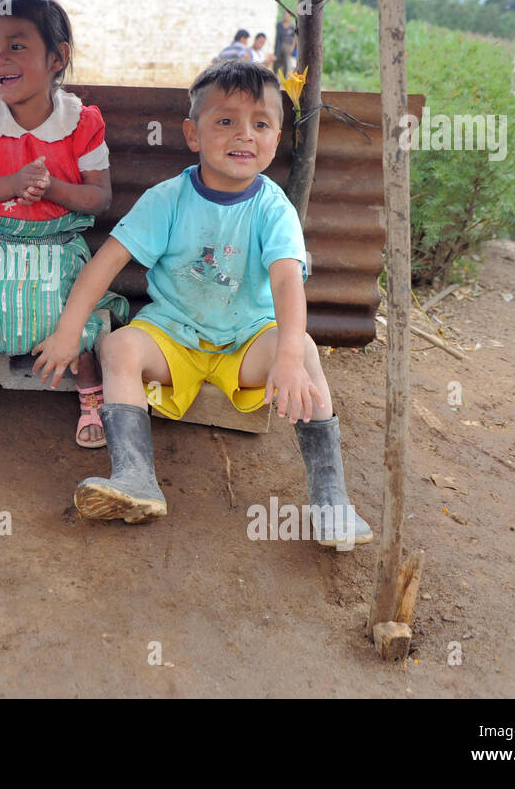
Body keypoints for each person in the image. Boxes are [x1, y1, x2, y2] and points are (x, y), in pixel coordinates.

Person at [32, 61, 374, 547]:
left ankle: (331, 501)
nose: (244, 135)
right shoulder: (166, 198)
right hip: (174, 335)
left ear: (277, 139)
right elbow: (105, 262)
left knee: (307, 352)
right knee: (120, 349)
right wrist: (70, 331)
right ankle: (135, 479)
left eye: (260, 123)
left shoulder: (274, 208)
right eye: (225, 121)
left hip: (247, 339)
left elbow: (286, 285)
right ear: (193, 133)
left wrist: (290, 358)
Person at [0, 0, 128, 447]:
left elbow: (100, 198)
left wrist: (54, 190)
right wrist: (11, 184)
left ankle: (90, 390)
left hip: (58, 243)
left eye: (17, 45)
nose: (0, 59)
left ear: (58, 57)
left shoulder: (81, 122)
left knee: (68, 311)